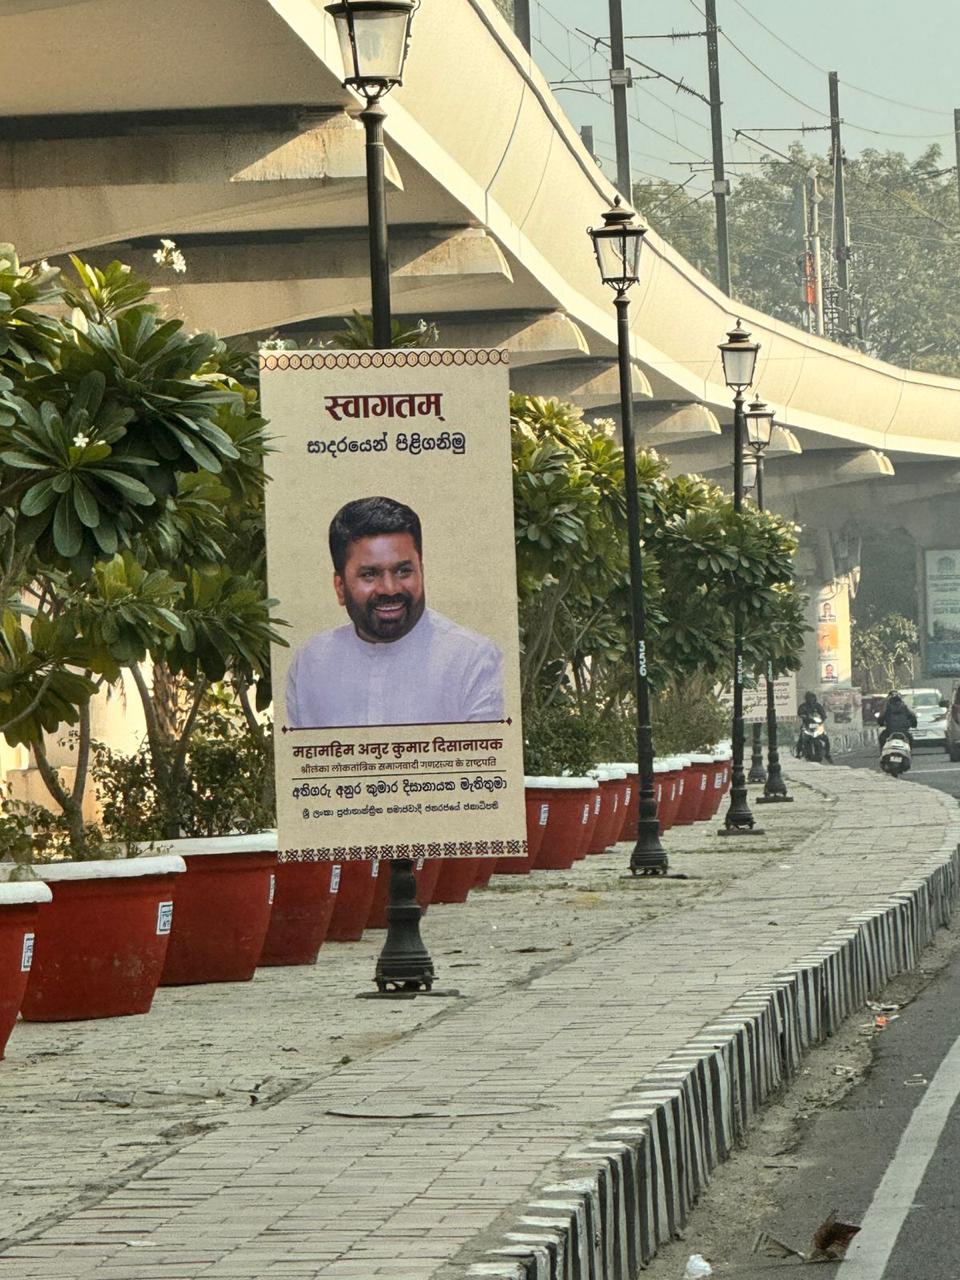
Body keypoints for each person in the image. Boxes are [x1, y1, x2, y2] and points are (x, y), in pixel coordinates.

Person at [285, 496, 504, 728]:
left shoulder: (473, 661)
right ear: (340, 587)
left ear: (422, 572)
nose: (389, 589)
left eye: (403, 571)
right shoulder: (310, 664)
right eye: (369, 574)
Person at [796, 690, 833, 762]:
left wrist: (823, 719)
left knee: (826, 739)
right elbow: (799, 713)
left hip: (817, 725)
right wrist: (803, 716)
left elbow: (823, 714)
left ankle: (827, 754)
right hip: (807, 724)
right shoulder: (803, 706)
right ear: (806, 698)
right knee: (801, 738)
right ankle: (799, 753)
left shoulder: (818, 706)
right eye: (809, 698)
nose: (811, 699)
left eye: (812, 698)